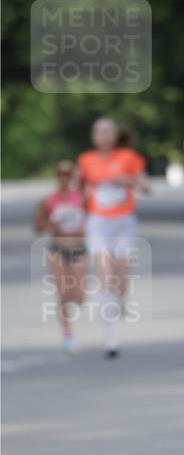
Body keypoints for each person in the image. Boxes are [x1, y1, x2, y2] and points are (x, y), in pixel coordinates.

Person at [77, 118, 150, 357]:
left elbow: (146, 186)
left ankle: (122, 297)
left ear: (116, 135)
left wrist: (128, 180)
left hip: (124, 225)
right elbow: (79, 192)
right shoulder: (86, 161)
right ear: (93, 137)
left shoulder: (129, 158)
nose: (104, 136)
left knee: (122, 277)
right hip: (98, 224)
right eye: (99, 131)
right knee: (105, 277)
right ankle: (110, 340)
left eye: (108, 131)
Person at [33, 160, 87, 354]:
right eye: (61, 173)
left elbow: (94, 221)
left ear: (73, 175)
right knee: (63, 294)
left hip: (79, 249)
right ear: (56, 176)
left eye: (68, 173)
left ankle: (70, 322)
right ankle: (68, 334)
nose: (65, 177)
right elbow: (38, 228)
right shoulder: (47, 200)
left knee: (79, 297)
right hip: (57, 250)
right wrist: (49, 225)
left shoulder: (82, 197)